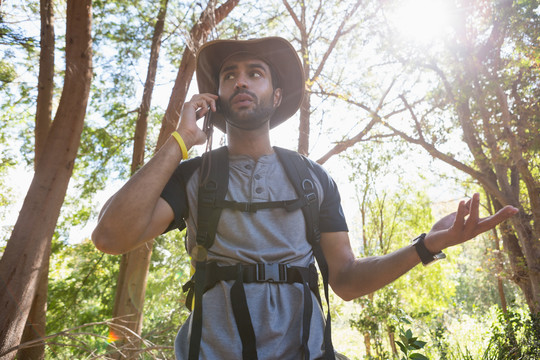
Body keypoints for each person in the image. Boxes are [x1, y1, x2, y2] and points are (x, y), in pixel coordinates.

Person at [92, 37, 518, 360]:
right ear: (216, 100)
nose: (240, 80)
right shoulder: (194, 175)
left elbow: (346, 280)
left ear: (275, 97)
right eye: (229, 75)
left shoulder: (312, 179)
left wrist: (426, 246)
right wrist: (181, 140)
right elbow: (111, 237)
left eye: (255, 72)